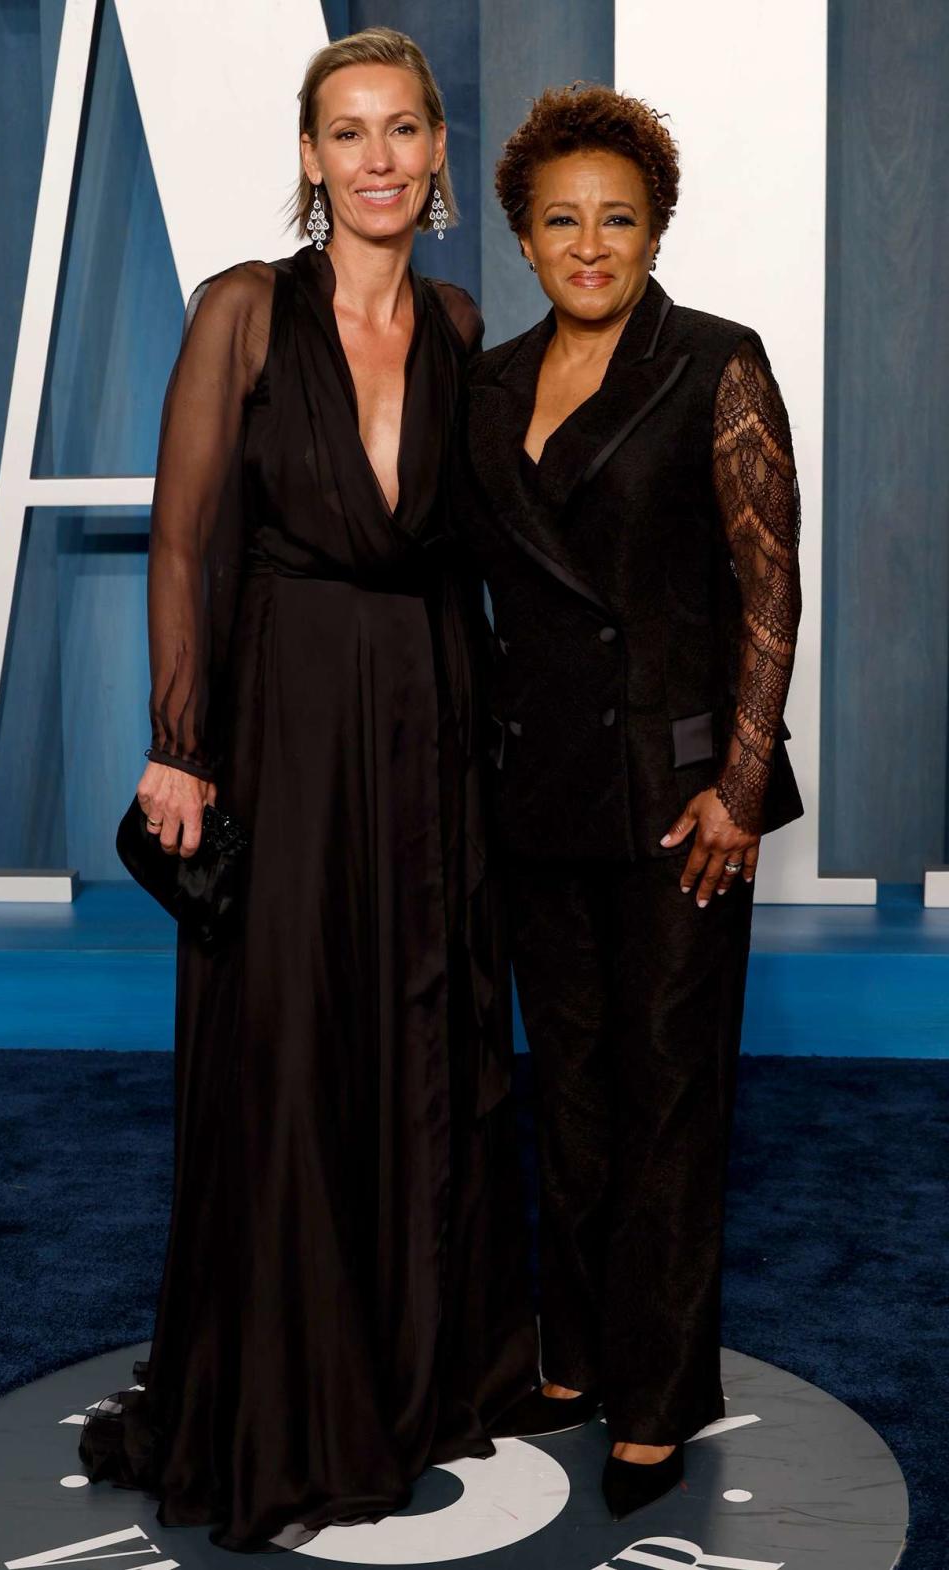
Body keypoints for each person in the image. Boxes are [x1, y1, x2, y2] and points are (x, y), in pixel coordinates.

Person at [80, 29, 538, 1552]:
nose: (380, 159)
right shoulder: (243, 311)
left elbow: (487, 546)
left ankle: (407, 1380)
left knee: (422, 1031)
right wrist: (177, 736)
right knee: (289, 1046)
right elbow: (183, 536)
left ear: (438, 157)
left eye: (405, 130)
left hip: (430, 721)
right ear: (309, 157)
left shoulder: (466, 321)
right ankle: (283, 1399)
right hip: (282, 715)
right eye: (349, 133)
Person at [455, 84, 803, 1520]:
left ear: (655, 227)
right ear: (523, 241)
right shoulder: (488, 385)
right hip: (533, 788)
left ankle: (659, 1393)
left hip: (677, 802)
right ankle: (583, 1349)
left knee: (670, 1097)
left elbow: (769, 583)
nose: (590, 244)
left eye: (618, 217)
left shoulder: (716, 362)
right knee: (577, 1093)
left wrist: (737, 785)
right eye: (561, 221)